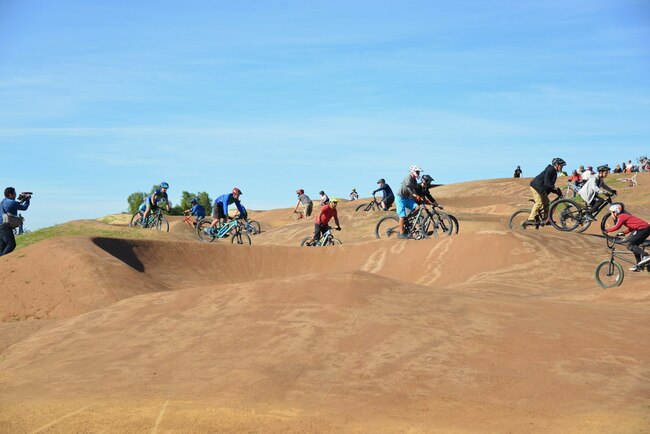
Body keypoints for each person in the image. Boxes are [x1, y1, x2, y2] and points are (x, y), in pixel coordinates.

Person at [605, 203, 650, 271]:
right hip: (644, 229)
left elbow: (617, 226)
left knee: (630, 245)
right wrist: (623, 232)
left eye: (611, 213)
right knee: (634, 246)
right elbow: (631, 228)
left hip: (642, 229)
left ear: (616, 212)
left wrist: (607, 230)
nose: (611, 215)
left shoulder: (621, 216)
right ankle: (640, 265)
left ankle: (646, 256)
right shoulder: (624, 216)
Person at [526, 158, 565, 225]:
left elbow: (549, 185)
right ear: (556, 165)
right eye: (561, 165)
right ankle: (530, 219)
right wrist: (554, 188)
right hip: (536, 186)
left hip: (541, 188)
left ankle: (546, 219)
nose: (562, 167)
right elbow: (547, 182)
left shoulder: (554, 173)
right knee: (539, 203)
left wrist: (556, 191)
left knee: (547, 202)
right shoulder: (550, 169)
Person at [1, 187, 31, 257]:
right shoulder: (11, 202)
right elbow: (24, 207)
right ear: (10, 194)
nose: (15, 195)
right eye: (14, 193)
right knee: (11, 244)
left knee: (2, 246)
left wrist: (23, 199)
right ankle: (2, 261)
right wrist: (28, 200)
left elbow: (16, 204)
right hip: (5, 226)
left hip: (1, 226)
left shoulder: (3, 201)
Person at [396, 165, 423, 238]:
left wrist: (420, 196)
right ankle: (401, 233)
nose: (418, 174)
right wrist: (415, 195)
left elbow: (415, 189)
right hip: (400, 198)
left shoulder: (414, 180)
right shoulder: (408, 177)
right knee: (402, 216)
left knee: (417, 207)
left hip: (406, 198)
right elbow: (409, 189)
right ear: (413, 171)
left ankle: (408, 219)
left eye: (419, 172)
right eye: (417, 172)